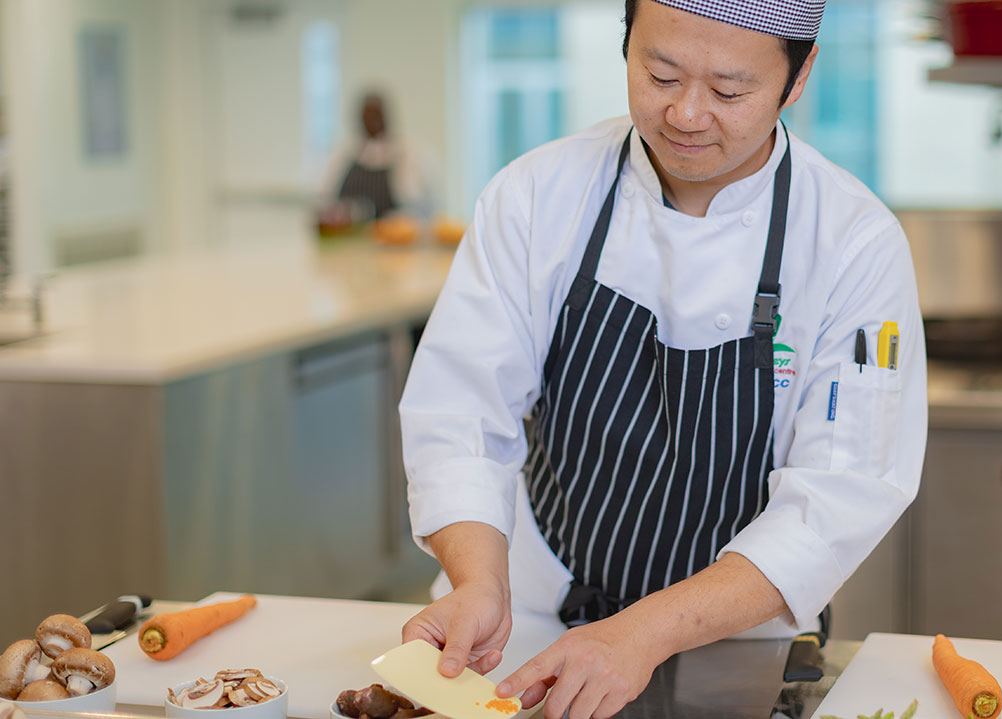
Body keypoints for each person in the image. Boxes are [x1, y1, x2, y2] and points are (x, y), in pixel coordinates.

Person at [398, 1, 927, 717]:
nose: (685, 114)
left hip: (739, 647)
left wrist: (639, 633)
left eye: (729, 91)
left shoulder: (854, 244)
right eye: (660, 73)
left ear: (798, 77)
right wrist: (478, 581)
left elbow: (840, 497)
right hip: (527, 626)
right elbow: (458, 410)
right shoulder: (537, 197)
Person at [321, 91, 437, 221]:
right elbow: (325, 198)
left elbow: (425, 206)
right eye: (367, 117)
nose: (371, 122)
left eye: (376, 116)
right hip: (349, 236)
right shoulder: (343, 155)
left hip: (393, 235)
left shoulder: (410, 155)